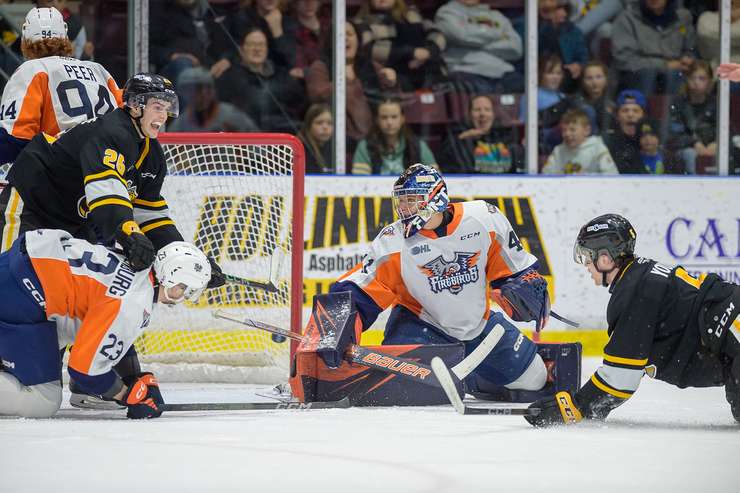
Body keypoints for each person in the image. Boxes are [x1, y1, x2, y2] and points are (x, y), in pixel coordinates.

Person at [328, 164, 551, 398]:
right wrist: (336, 324)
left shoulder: (484, 219)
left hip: (478, 325)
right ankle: (462, 375)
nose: (403, 208)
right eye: (401, 201)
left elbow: (514, 270)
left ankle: (472, 379)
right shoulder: (393, 241)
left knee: (536, 379)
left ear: (435, 199)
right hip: (419, 326)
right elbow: (359, 291)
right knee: (405, 389)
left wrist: (523, 283)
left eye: (411, 200)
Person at [525, 214, 740, 426]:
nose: (586, 266)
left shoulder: (634, 291)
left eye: (587, 257)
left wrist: (574, 406)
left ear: (605, 258)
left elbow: (620, 378)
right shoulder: (641, 275)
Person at [0, 229, 211, 419]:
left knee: (67, 330)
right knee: (43, 400)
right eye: (183, 289)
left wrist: (133, 378)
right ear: (171, 278)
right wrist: (127, 395)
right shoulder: (135, 300)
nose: (182, 296)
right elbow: (84, 370)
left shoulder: (138, 264)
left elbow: (110, 331)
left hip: (19, 265)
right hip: (18, 296)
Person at [0, 6, 122, 165]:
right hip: (112, 166)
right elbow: (127, 118)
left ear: (25, 40)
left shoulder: (32, 70)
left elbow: (15, 141)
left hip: (63, 175)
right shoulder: (98, 70)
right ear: (65, 37)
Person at [215, 27, 304, 133]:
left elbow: (300, 107)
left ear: (267, 49)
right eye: (252, 44)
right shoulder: (228, 78)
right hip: (243, 140)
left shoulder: (283, 77)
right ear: (241, 49)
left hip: (279, 140)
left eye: (261, 44)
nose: (257, 49)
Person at [354, 0, 447, 91]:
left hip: (427, 68)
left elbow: (437, 35)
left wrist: (428, 52)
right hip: (393, 75)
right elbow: (369, 48)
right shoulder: (361, 22)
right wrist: (410, 52)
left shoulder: (413, 14)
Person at [434, 0, 523, 94]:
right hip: (465, 70)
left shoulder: (497, 16)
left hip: (502, 71)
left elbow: (516, 49)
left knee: (529, 90)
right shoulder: (446, 13)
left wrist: (475, 43)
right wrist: (497, 34)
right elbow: (462, 36)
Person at [611, 0, 696, 95]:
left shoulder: (682, 18)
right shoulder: (627, 19)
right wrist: (664, 65)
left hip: (675, 71)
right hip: (639, 74)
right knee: (648, 74)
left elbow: (690, 48)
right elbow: (625, 59)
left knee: (677, 74)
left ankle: (674, 108)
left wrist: (687, 57)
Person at [440, 94, 523, 174]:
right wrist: (462, 138)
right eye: (477, 110)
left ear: (493, 114)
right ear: (469, 115)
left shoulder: (507, 137)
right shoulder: (458, 137)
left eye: (487, 109)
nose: (482, 114)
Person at [352, 98, 437, 175]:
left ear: (402, 119)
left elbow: (435, 179)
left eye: (394, 117)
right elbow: (359, 182)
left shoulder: (417, 146)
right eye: (384, 117)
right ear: (377, 120)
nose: (389, 122)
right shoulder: (365, 146)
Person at [168, 67, 258, 133]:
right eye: (196, 88)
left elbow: (259, 147)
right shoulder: (180, 125)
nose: (204, 93)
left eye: (208, 88)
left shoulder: (231, 116)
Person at [666, 60, 717, 174]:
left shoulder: (716, 103)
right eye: (693, 78)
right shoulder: (678, 102)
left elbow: (726, 129)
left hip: (712, 146)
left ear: (709, 81)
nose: (696, 82)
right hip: (686, 148)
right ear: (687, 80)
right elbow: (674, 133)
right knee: (689, 154)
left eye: (701, 78)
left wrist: (717, 143)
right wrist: (694, 143)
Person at [542, 108, 617, 174]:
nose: (567, 134)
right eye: (564, 130)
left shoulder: (597, 148)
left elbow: (611, 175)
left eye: (572, 129)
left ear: (587, 130)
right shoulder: (558, 150)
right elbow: (546, 174)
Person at [602, 89, 648, 174]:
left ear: (643, 115)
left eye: (636, 111)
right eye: (625, 110)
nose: (630, 115)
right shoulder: (608, 143)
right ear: (617, 116)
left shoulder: (651, 142)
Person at [298, 103, 333, 174]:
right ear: (309, 126)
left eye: (329, 123)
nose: (325, 127)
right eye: (319, 123)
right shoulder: (299, 150)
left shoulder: (334, 149)